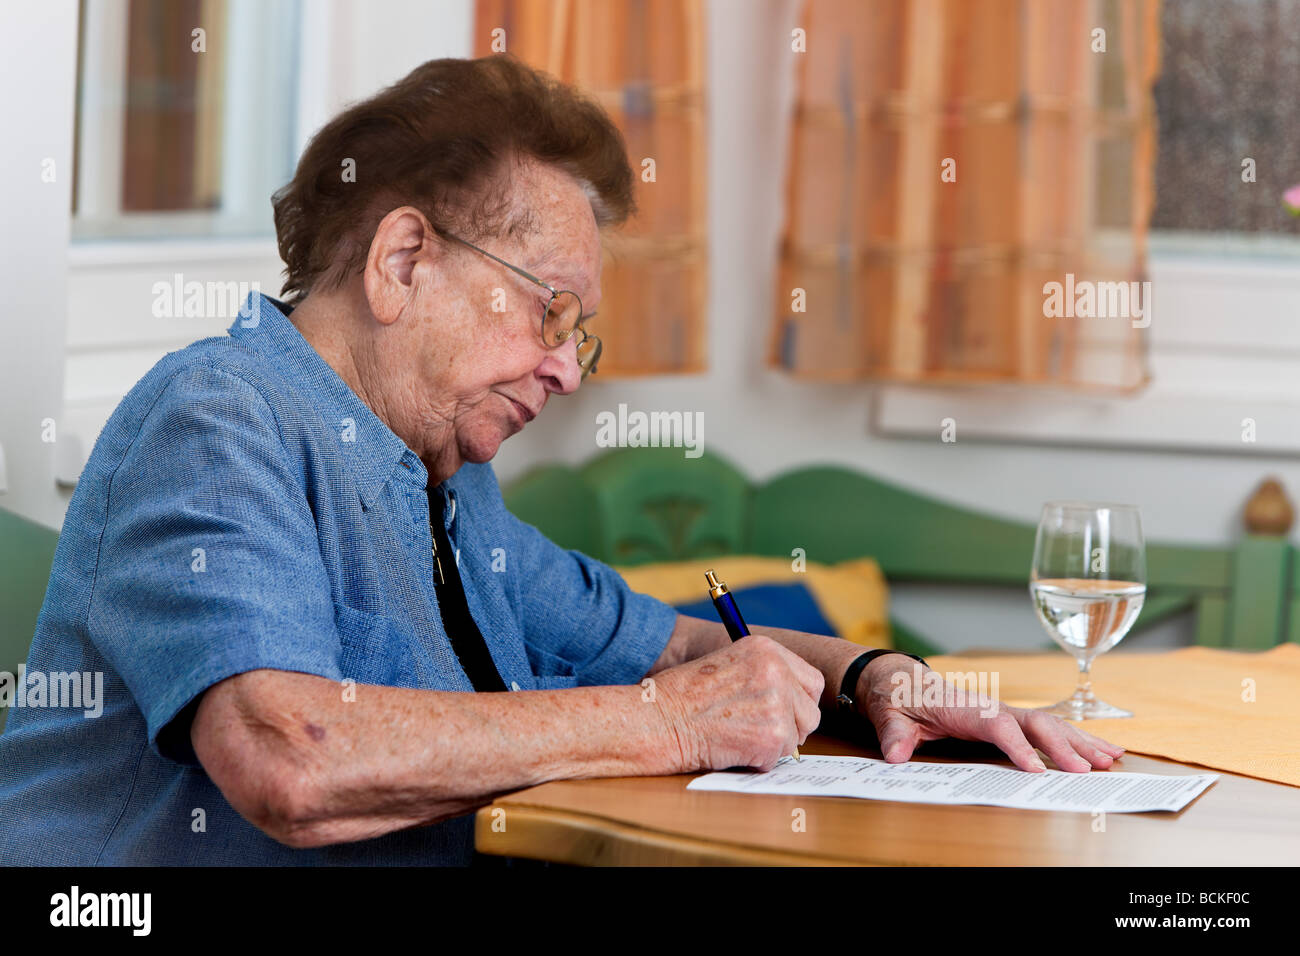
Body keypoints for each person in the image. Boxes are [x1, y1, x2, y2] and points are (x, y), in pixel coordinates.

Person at [0, 55, 1123, 865]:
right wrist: (674, 719)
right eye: (551, 312)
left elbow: (685, 635)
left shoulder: (447, 485)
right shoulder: (215, 419)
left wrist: (879, 675)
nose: (567, 370)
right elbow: (292, 755)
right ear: (401, 261)